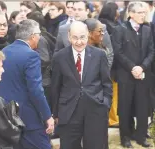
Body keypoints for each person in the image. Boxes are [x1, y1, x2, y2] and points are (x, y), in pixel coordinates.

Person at [51, 21, 112, 149]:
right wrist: (56, 113)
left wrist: (105, 104)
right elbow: (55, 87)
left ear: (88, 36)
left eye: (82, 37)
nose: (79, 42)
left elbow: (106, 83)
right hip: (68, 112)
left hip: (95, 109)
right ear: (69, 37)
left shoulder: (99, 55)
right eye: (75, 37)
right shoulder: (59, 57)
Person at [0, 19, 54, 149]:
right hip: (29, 119)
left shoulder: (3, 51)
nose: (40, 37)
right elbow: (36, 90)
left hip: (6, 116)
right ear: (33, 36)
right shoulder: (31, 56)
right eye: (39, 34)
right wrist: (47, 116)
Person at [111, 2, 155, 148]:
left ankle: (141, 136)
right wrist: (133, 67)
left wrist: (142, 67)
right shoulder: (120, 29)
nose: (143, 15)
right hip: (125, 74)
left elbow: (152, 51)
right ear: (131, 13)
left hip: (143, 75)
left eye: (144, 12)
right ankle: (125, 137)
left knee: (143, 107)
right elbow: (118, 52)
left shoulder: (147, 29)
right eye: (140, 12)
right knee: (125, 107)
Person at [54, 1, 114, 69]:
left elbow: (109, 53)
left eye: (80, 9)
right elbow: (57, 53)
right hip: (70, 74)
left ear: (87, 11)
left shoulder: (99, 27)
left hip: (95, 73)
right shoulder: (64, 29)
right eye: (74, 9)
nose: (76, 12)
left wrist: (103, 73)